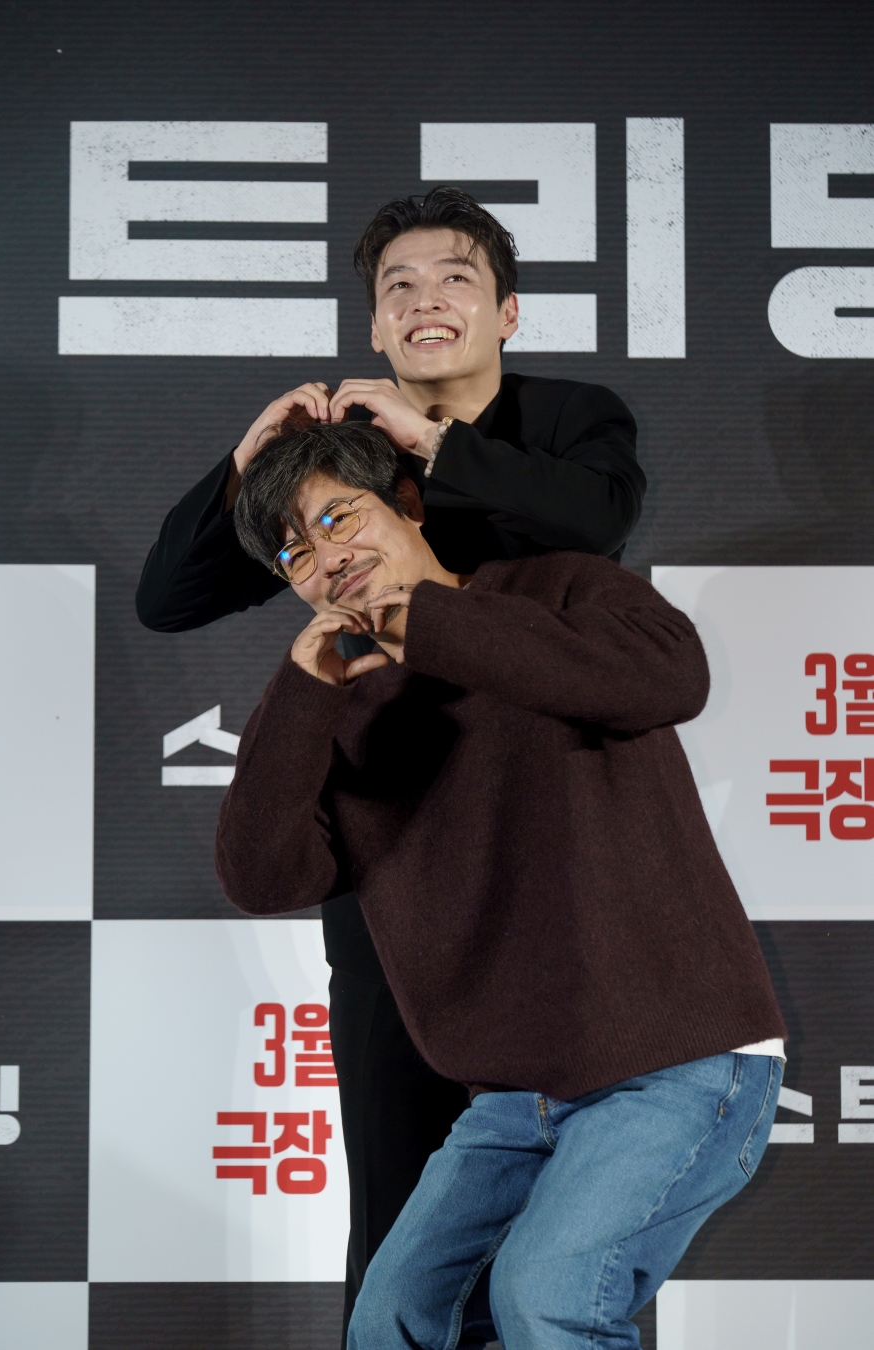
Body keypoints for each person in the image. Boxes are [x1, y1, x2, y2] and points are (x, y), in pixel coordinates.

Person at [135, 187, 646, 1337]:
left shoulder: (570, 420)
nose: (426, 300)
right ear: (373, 325)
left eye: (456, 277)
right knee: (402, 1211)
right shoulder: (336, 465)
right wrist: (250, 459)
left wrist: (431, 444)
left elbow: (596, 523)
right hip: (390, 849)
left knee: (573, 1230)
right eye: (398, 287)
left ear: (506, 312)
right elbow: (169, 598)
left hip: (553, 855)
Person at [216, 420, 786, 1350]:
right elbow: (263, 875)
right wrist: (304, 692)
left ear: (406, 502)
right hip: (513, 1098)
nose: (328, 559)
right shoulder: (343, 707)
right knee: (392, 1318)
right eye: (295, 554)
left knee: (546, 1297)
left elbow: (673, 675)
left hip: (676, 1059)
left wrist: (424, 624)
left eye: (338, 517)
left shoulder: (559, 591)